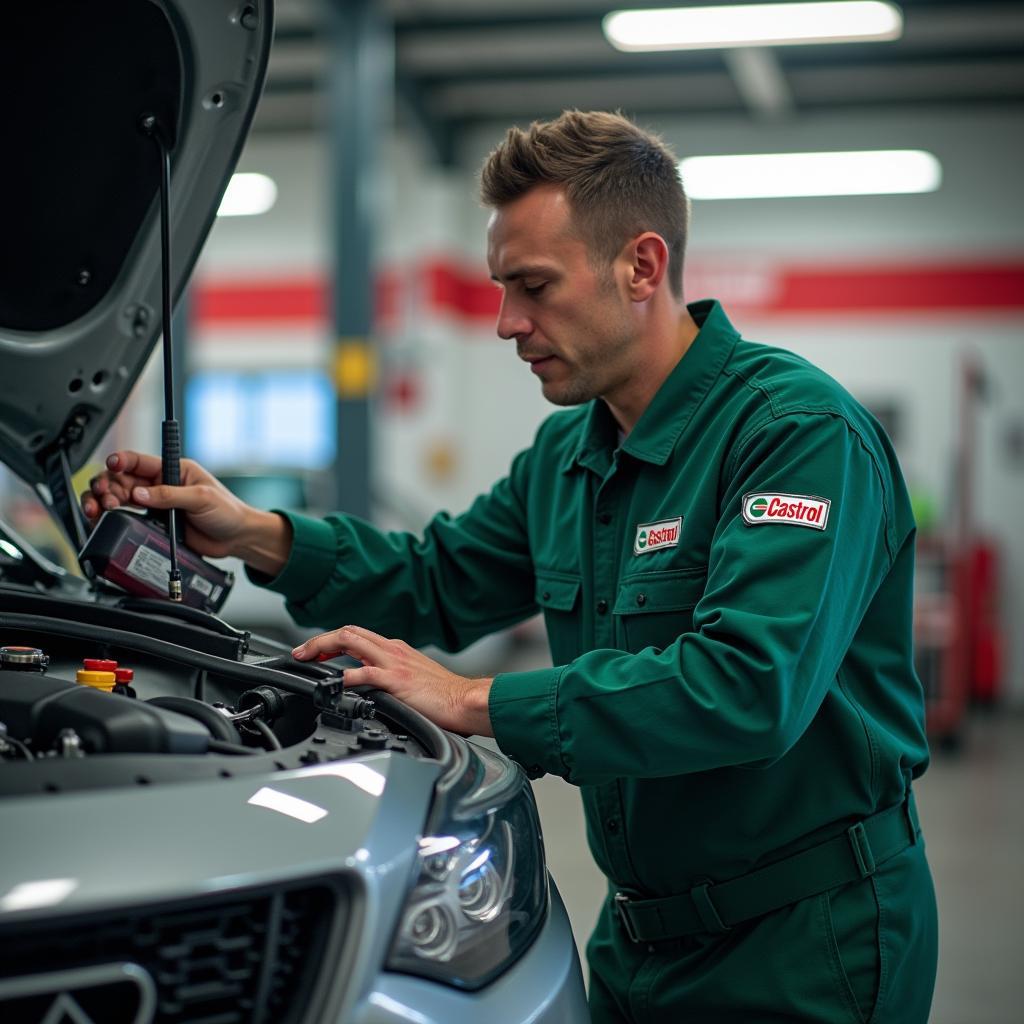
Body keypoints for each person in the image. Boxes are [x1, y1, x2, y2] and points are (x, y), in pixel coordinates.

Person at [83, 110, 938, 1023]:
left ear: (641, 267)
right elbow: (438, 578)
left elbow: (747, 686)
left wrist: (473, 702)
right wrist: (254, 531)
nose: (505, 323)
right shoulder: (569, 453)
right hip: (638, 938)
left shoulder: (795, 437)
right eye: (501, 287)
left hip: (805, 942)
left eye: (533, 286)